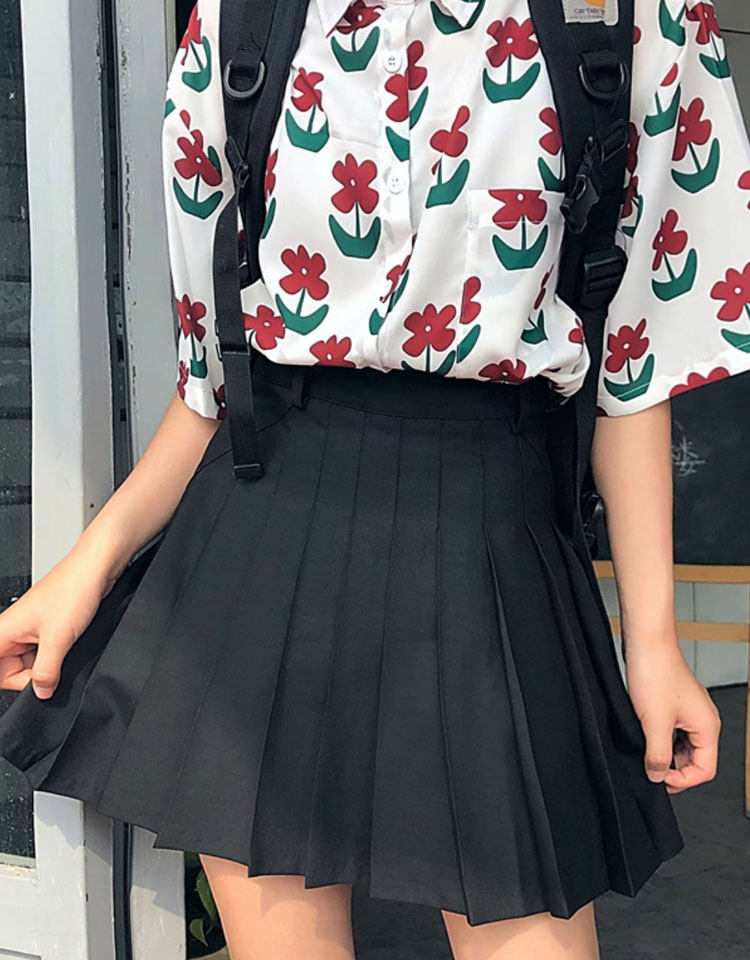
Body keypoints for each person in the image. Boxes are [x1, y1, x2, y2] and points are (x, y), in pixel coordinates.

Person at [1, 0, 749, 958]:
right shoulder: (242, 22)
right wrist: (89, 563)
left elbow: (631, 367)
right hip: (264, 541)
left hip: (491, 551)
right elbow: (217, 384)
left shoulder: (635, 20)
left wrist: (652, 640)